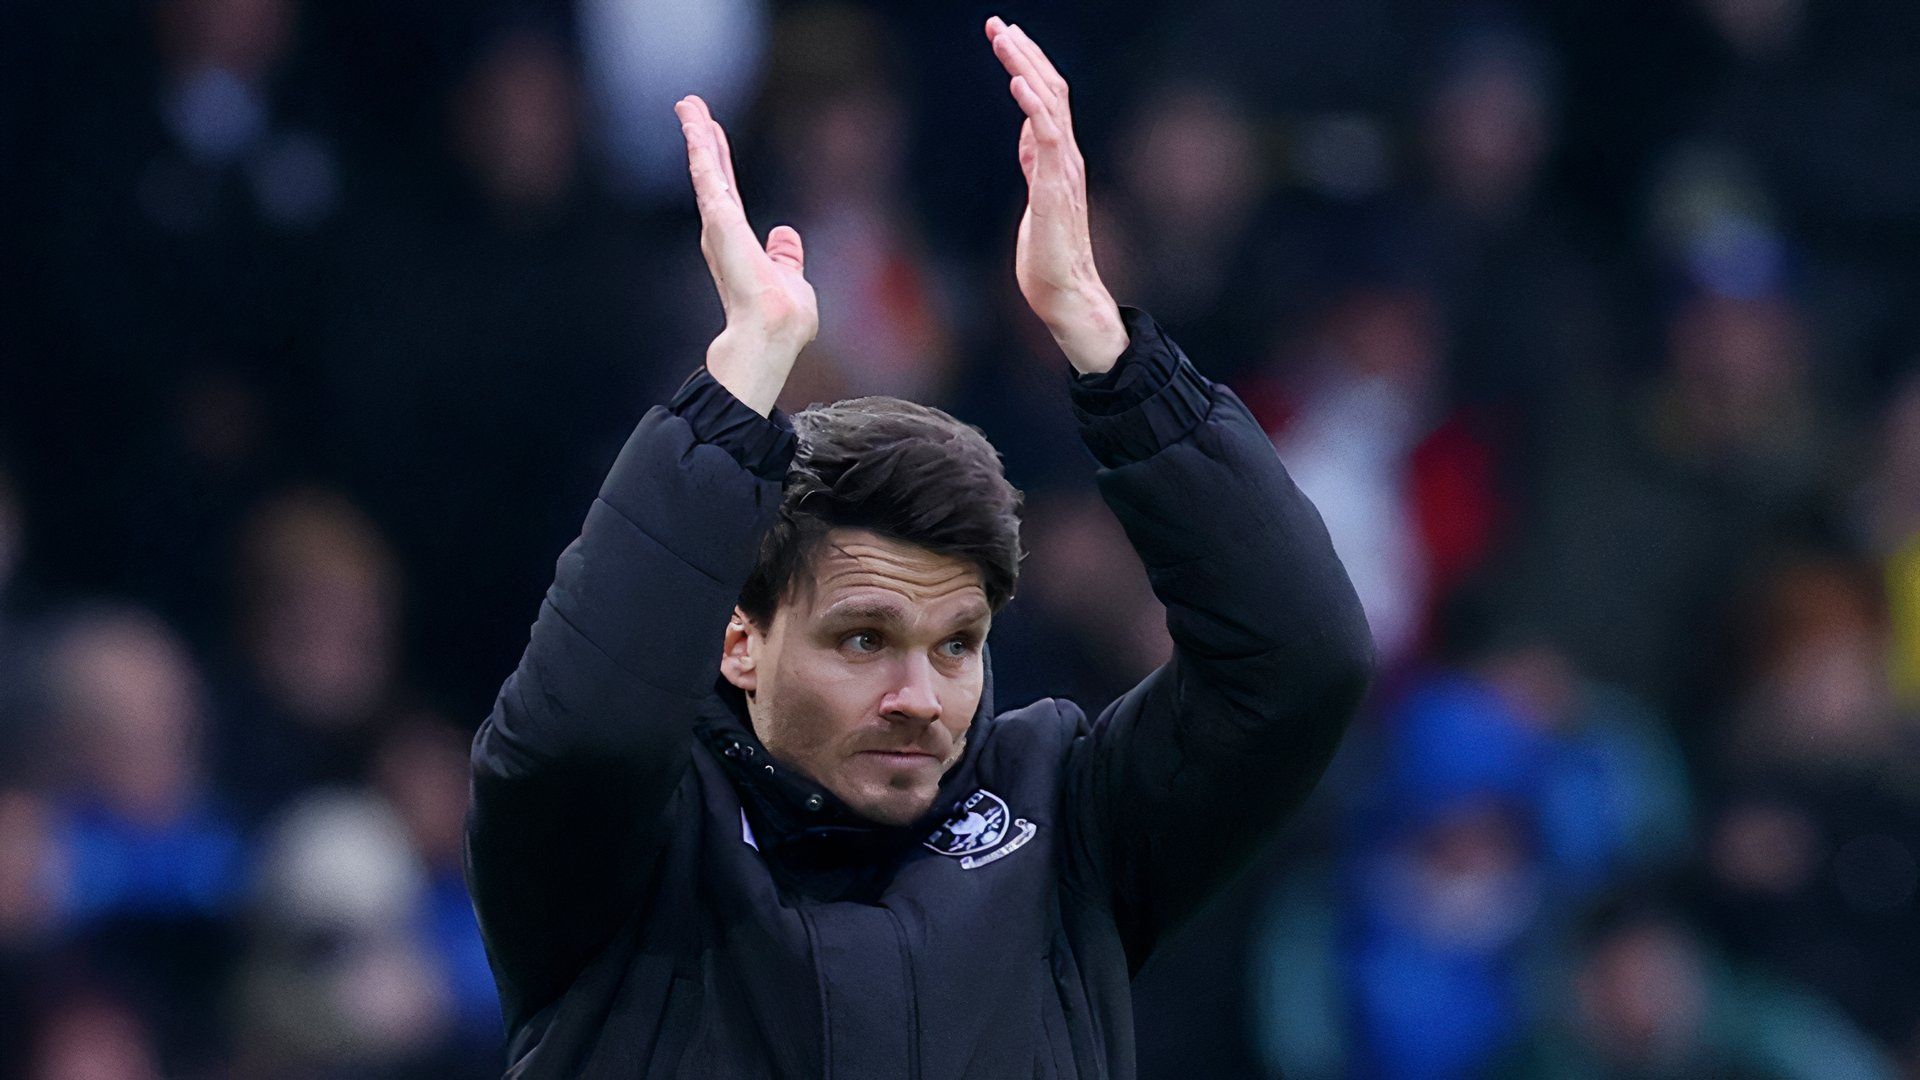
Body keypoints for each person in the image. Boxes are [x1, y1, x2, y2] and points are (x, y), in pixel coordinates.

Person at [464, 16, 1373, 1078]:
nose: (920, 695)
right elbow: (575, 733)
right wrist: (735, 392)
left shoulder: (1069, 821)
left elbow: (1301, 662)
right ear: (739, 643)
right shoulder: (626, 856)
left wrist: (1105, 343)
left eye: (956, 644)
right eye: (862, 640)